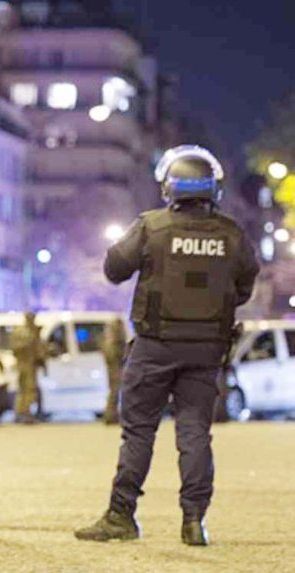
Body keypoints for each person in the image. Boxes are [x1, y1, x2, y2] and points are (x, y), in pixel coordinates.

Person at [75, 145, 259, 546]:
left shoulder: (151, 226)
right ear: (215, 189)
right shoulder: (231, 234)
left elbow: (113, 269)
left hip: (155, 346)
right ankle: (194, 522)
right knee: (195, 433)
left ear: (168, 188)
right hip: (207, 348)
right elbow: (244, 286)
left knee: (139, 433)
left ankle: (121, 516)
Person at [11, 312, 46, 424]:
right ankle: (23, 413)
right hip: (24, 364)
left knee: (29, 390)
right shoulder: (23, 332)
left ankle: (25, 412)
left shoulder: (32, 331)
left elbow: (39, 349)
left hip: (31, 365)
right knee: (26, 389)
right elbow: (17, 348)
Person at [101, 318, 127, 425]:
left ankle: (112, 415)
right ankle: (110, 416)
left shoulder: (110, 341)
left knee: (114, 393)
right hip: (115, 370)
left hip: (115, 370)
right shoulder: (113, 343)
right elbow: (115, 357)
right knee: (114, 393)